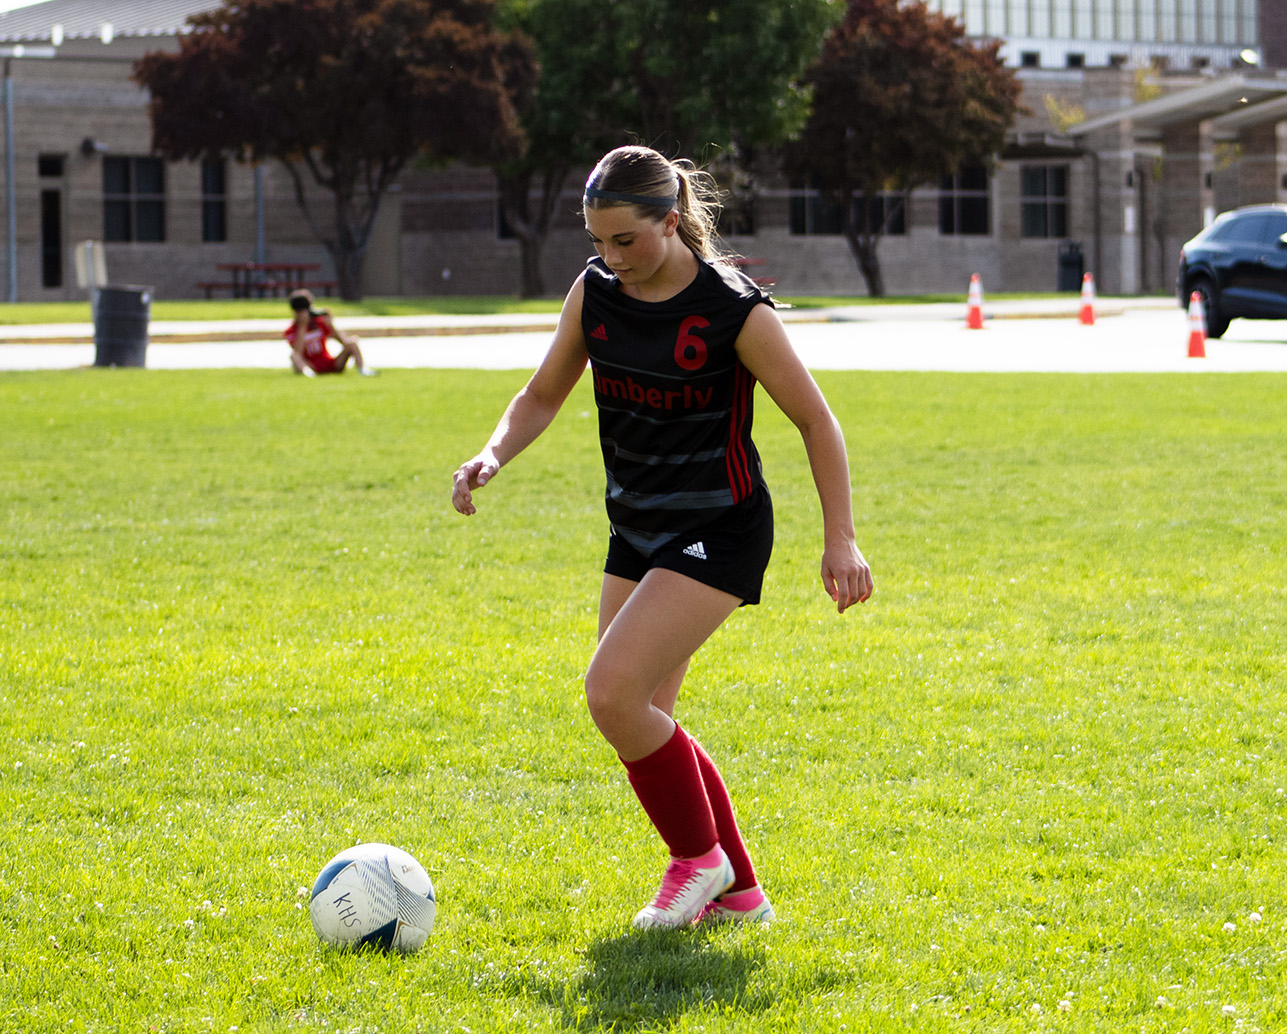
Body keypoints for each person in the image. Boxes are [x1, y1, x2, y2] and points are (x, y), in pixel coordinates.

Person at [451, 145, 873, 930]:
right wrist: (492, 452)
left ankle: (697, 863)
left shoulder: (733, 310)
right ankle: (740, 892)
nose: (611, 258)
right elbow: (542, 394)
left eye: (626, 241)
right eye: (599, 241)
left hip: (721, 527)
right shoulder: (596, 292)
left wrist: (840, 539)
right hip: (637, 526)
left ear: (671, 221)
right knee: (642, 714)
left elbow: (817, 420)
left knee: (612, 694)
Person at [283, 289, 373, 376]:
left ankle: (362, 369)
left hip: (328, 363)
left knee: (352, 342)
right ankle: (309, 375)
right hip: (310, 365)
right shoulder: (291, 330)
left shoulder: (318, 323)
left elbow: (343, 342)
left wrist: (331, 324)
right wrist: (302, 327)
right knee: (294, 356)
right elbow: (298, 352)